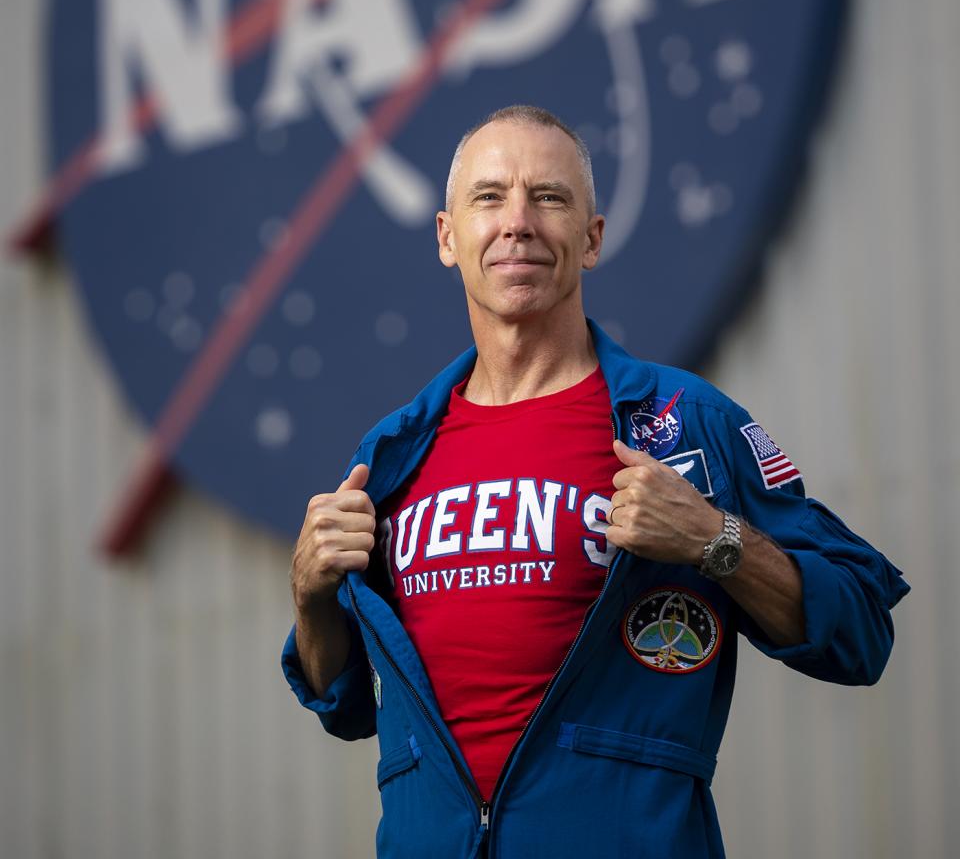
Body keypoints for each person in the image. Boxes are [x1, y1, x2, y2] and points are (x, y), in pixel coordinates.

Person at [282, 105, 908, 858]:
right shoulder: (390, 457)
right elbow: (345, 705)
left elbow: (861, 629)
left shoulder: (686, 425)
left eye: (549, 197)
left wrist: (716, 540)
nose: (518, 222)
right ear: (449, 238)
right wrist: (311, 598)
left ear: (592, 238)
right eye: (488, 197)